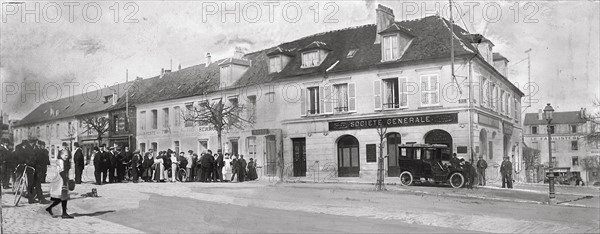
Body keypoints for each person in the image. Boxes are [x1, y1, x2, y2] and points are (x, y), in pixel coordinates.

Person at [45, 144, 73, 219]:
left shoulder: (63, 161)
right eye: (65, 155)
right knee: (63, 196)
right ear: (61, 155)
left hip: (61, 179)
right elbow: (61, 171)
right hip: (61, 180)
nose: (67, 157)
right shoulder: (61, 161)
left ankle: (50, 208)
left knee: (61, 198)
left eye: (67, 155)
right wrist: (66, 180)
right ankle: (64, 213)